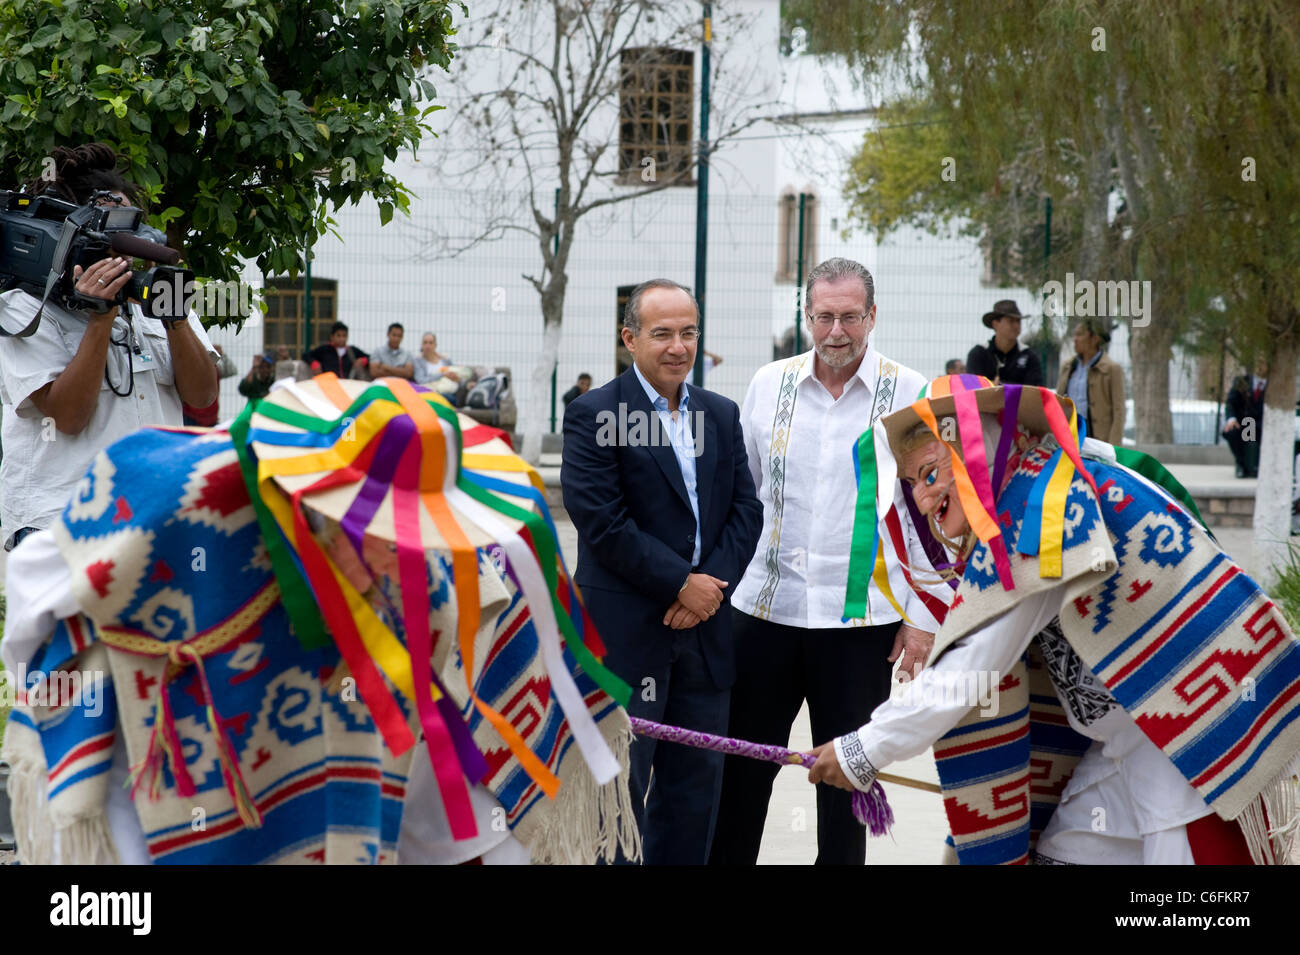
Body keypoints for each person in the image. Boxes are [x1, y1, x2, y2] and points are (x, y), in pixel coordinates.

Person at [809, 376, 1300, 865]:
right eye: (911, 483)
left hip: (1185, 743)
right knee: (1061, 853)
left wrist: (862, 751)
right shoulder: (1043, 484)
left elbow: (972, 668)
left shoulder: (1040, 507)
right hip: (1128, 745)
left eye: (930, 472)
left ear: (975, 450)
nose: (920, 498)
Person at [709, 257, 948, 866]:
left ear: (872, 316)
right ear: (806, 316)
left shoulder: (912, 393)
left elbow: (933, 515)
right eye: (823, 317)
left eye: (849, 317)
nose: (836, 331)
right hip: (765, 613)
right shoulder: (769, 384)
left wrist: (922, 618)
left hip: (861, 628)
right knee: (739, 777)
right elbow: (744, 497)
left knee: (847, 785)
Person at [562, 278, 763, 864]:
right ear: (630, 338)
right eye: (663, 333)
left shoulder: (720, 415)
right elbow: (602, 522)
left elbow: (747, 510)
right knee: (617, 797)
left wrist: (709, 591)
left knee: (694, 794)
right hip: (626, 638)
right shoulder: (595, 413)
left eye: (689, 332)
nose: (679, 346)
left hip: (705, 635)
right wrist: (681, 583)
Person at [0, 142, 218, 552]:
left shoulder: (151, 300)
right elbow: (67, 417)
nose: (129, 247)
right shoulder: (24, 311)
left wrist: (175, 318)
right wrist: (100, 318)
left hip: (154, 517)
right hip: (64, 524)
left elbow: (202, 395)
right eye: (115, 234)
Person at [1056, 317, 1125, 444]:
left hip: (1097, 438)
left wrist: (1114, 447)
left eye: (1080, 334)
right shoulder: (1068, 367)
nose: (1075, 339)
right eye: (1074, 335)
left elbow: (1119, 411)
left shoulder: (1111, 369)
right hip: (1069, 434)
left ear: (1095, 339)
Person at [965, 300, 1043, 386]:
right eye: (1011, 321)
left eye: (1018, 321)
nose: (1016, 326)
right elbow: (973, 389)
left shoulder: (1029, 356)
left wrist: (1000, 387)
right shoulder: (978, 354)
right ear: (995, 324)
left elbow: (1035, 391)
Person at [1224, 359, 1266, 478]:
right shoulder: (1242, 381)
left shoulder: (1275, 384)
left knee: (1252, 431)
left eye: (1263, 363)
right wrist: (1231, 419)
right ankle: (1242, 464)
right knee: (1233, 432)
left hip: (1264, 426)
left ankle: (1255, 466)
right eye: (1258, 362)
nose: (1260, 366)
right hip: (1244, 424)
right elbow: (1230, 403)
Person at [182, 344, 239, 426]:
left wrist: (221, 355)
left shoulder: (215, 367)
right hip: (191, 416)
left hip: (210, 416)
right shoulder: (190, 367)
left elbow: (232, 370)